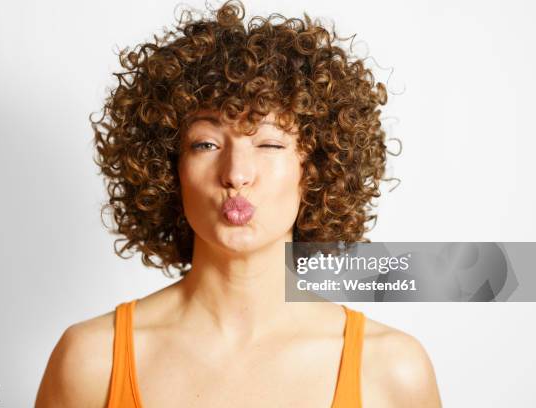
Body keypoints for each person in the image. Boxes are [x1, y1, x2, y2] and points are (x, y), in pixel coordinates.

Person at [35, 1, 442, 406]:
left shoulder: (392, 369)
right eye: (206, 144)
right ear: (167, 168)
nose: (236, 173)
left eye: (268, 143)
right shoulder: (91, 361)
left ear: (314, 169)